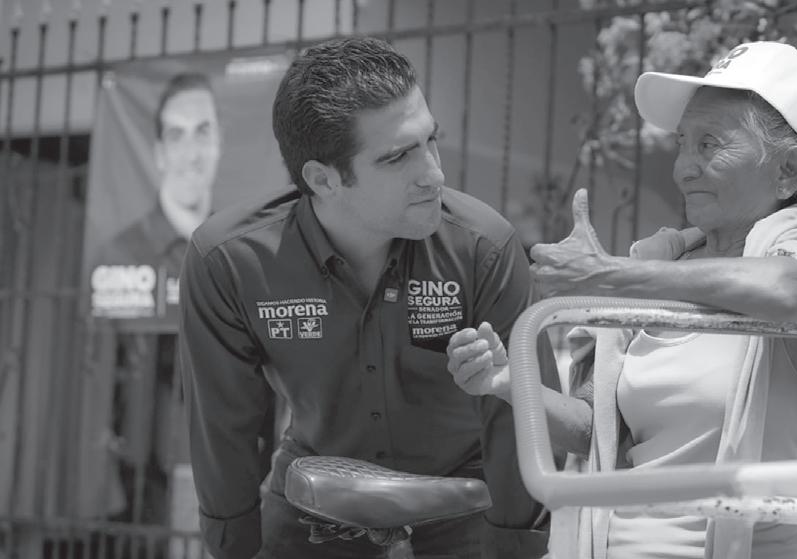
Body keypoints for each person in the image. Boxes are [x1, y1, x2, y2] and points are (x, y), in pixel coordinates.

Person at [446, 41, 797, 559]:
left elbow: (792, 292)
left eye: (709, 144)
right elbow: (597, 433)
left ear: (787, 169)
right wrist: (506, 382)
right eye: (682, 144)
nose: (683, 169)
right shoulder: (661, 264)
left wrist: (614, 274)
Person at [178, 37, 555, 559]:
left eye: (430, 140)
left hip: (465, 499)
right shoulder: (229, 262)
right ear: (323, 179)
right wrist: (233, 549)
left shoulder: (484, 247)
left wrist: (518, 547)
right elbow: (225, 429)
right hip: (314, 496)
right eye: (398, 156)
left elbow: (523, 421)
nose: (434, 173)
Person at [90, 72, 221, 321]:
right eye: (176, 136)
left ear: (219, 142)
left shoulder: (236, 249)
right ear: (160, 154)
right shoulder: (116, 255)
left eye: (203, 132)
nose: (192, 155)